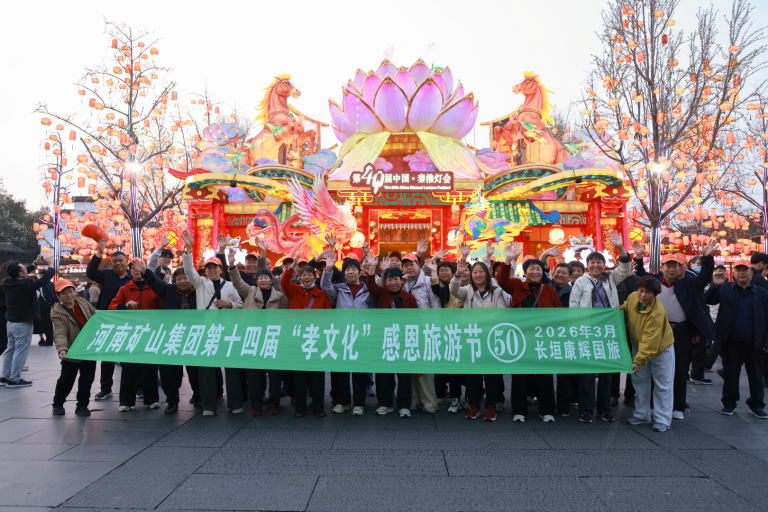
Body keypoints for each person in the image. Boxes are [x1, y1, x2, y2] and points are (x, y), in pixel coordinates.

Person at [635, 240, 717, 420]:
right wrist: (639, 257)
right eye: (668, 266)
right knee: (653, 368)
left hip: (680, 331)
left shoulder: (688, 283)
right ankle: (653, 405)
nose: (671, 269)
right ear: (662, 268)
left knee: (680, 369)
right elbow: (641, 274)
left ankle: (678, 406)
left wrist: (707, 258)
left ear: (681, 268)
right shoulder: (655, 282)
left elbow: (704, 279)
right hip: (655, 331)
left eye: (675, 266)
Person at [569, 231, 631, 423]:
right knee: (587, 373)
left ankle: (604, 409)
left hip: (608, 331)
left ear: (604, 264)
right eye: (592, 262)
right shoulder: (581, 281)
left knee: (606, 373)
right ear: (587, 265)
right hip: (587, 331)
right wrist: (578, 328)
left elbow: (625, 268)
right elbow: (573, 306)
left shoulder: (611, 278)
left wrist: (620, 247)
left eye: (599, 262)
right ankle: (586, 410)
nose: (596, 265)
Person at [497, 243, 562, 422]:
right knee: (520, 377)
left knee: (545, 377)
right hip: (521, 340)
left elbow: (559, 314)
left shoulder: (549, 290)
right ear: (525, 272)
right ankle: (519, 411)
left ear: (542, 272)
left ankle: (547, 411)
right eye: (531, 269)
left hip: (543, 340)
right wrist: (508, 259)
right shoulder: (517, 286)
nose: (535, 272)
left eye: (538, 269)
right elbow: (502, 281)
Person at [182, 231, 244, 417]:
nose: (211, 270)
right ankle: (209, 406)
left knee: (232, 370)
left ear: (220, 269)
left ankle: (235, 404)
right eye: (208, 267)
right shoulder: (200, 283)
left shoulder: (230, 286)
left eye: (215, 267)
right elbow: (188, 270)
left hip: (228, 332)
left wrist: (230, 304)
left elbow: (241, 305)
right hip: (207, 332)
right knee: (206, 371)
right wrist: (188, 249)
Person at [224, 246, 284, 417]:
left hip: (272, 339)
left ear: (271, 280)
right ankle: (256, 404)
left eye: (266, 277)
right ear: (256, 281)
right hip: (252, 338)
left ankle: (274, 403)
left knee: (275, 374)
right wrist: (231, 265)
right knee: (254, 374)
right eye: (260, 278)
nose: (263, 280)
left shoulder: (279, 297)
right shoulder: (249, 291)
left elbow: (285, 319)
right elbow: (237, 282)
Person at [705, 259, 768, 418]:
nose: (741, 273)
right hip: (731, 340)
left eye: (744, 270)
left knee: (756, 375)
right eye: (738, 270)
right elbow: (708, 300)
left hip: (754, 341)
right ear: (733, 273)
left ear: (751, 273)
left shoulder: (762, 293)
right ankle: (729, 403)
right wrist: (715, 286)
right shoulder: (725, 288)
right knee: (731, 373)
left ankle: (756, 404)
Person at [320, 238, 375, 416]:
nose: (350, 272)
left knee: (359, 371)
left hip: (361, 336)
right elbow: (324, 286)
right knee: (341, 371)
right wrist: (329, 268)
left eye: (353, 269)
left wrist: (367, 256)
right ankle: (343, 402)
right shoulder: (339, 288)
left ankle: (359, 403)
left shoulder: (368, 290)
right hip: (341, 335)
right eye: (347, 270)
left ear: (360, 272)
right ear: (344, 273)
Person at [450, 256, 509, 421]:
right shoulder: (467, 290)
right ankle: (474, 406)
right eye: (475, 272)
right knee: (473, 375)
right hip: (472, 338)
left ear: (487, 274)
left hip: (491, 338)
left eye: (481, 271)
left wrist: (483, 321)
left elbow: (502, 312)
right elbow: (453, 290)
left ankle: (491, 406)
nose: (477, 275)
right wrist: (458, 273)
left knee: (492, 375)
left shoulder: (496, 291)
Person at [135, 258, 196, 414]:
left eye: (185, 278)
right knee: (170, 373)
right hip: (172, 338)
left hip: (193, 338)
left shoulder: (199, 292)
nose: (182, 281)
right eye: (178, 279)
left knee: (195, 371)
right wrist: (145, 271)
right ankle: (172, 401)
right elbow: (154, 281)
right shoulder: (167, 290)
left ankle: (199, 397)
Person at [622, 276, 676, 432]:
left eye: (648, 292)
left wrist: (638, 361)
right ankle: (641, 414)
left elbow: (650, 341)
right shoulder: (633, 297)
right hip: (638, 345)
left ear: (655, 295)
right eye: (641, 291)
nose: (643, 295)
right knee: (639, 381)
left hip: (660, 349)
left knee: (663, 383)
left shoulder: (657, 312)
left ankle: (662, 419)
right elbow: (627, 308)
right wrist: (621, 309)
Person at [281, 252, 331, 418]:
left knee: (317, 376)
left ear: (315, 278)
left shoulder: (322, 295)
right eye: (303, 275)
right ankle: (300, 408)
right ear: (299, 277)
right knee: (299, 376)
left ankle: (318, 407)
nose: (307, 277)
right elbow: (284, 281)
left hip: (316, 340)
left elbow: (328, 318)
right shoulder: (294, 290)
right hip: (297, 341)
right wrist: (292, 266)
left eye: (310, 274)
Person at [365, 257, 417, 417]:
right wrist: (372, 267)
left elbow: (417, 321)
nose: (393, 282)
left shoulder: (409, 298)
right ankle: (385, 403)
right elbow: (370, 284)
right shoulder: (380, 293)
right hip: (384, 340)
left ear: (402, 280)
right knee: (384, 374)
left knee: (404, 375)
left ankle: (404, 405)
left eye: (396, 279)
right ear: (385, 281)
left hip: (404, 341)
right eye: (390, 279)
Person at [109, 259, 162, 412]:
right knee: (129, 368)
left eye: (140, 267)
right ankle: (126, 402)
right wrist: (124, 306)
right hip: (130, 334)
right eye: (133, 268)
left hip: (150, 334)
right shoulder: (124, 289)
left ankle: (152, 399)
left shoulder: (154, 287)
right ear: (130, 271)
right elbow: (111, 306)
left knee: (150, 368)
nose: (137, 271)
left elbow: (162, 309)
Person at [87, 240, 132, 401]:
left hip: (131, 320)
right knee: (107, 355)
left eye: (121, 260)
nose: (118, 263)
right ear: (111, 263)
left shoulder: (134, 276)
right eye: (114, 261)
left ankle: (137, 386)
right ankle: (105, 388)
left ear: (127, 261)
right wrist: (99, 253)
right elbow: (91, 272)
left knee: (131, 354)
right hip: (109, 319)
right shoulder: (106, 275)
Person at [1, 257, 54, 388]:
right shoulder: (26, 285)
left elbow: (21, 274)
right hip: (22, 323)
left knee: (10, 350)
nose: (27, 270)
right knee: (20, 350)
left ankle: (5, 377)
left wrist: (35, 264)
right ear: (20, 274)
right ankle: (14, 379)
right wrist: (51, 266)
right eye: (25, 269)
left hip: (10, 322)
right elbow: (44, 280)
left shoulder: (7, 283)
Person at [398, 252, 440, 414]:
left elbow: (435, 306)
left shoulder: (427, 281)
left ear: (418, 265)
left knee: (424, 368)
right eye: (405, 265)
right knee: (410, 366)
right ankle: (414, 400)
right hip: (407, 331)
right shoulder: (401, 282)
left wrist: (434, 328)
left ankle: (429, 402)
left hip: (424, 330)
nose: (409, 268)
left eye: (412, 264)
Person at [50, 279, 99, 416]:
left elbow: (96, 314)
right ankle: (58, 403)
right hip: (72, 350)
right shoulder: (57, 312)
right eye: (64, 293)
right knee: (66, 379)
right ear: (58, 296)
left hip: (88, 348)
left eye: (70, 291)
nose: (69, 295)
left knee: (87, 379)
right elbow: (59, 332)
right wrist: (62, 349)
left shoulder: (82, 302)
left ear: (75, 291)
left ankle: (82, 405)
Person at [425, 258, 467, 412]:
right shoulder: (443, 289)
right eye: (441, 270)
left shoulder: (463, 289)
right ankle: (442, 393)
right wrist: (433, 270)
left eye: (446, 270)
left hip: (462, 332)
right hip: (444, 332)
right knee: (442, 364)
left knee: (460, 366)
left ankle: (465, 397)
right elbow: (437, 290)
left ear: (453, 272)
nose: (444, 272)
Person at [37, 269, 57, 346]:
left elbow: (44, 295)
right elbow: (56, 294)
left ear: (42, 275)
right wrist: (54, 303)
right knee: (50, 323)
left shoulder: (42, 284)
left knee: (46, 324)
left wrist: (50, 302)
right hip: (52, 305)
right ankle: (51, 338)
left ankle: (49, 340)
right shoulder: (52, 284)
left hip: (45, 306)